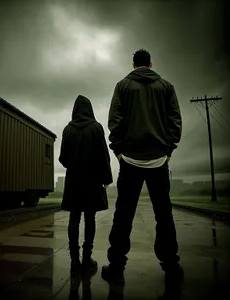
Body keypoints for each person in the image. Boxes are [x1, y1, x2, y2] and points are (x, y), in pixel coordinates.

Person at [101, 49, 183, 285]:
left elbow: (114, 120)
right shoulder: (166, 86)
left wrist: (117, 151)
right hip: (158, 160)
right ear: (150, 63)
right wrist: (169, 150)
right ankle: (171, 266)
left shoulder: (123, 86)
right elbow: (175, 120)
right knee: (164, 215)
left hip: (130, 161)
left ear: (133, 64)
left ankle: (116, 266)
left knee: (123, 215)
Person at [59, 95, 113, 275]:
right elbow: (104, 156)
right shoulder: (96, 128)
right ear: (90, 109)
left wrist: (74, 162)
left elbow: (63, 159)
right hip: (93, 180)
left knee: (74, 217)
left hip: (74, 180)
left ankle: (74, 260)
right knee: (90, 218)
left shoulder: (68, 129)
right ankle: (87, 258)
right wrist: (106, 179)